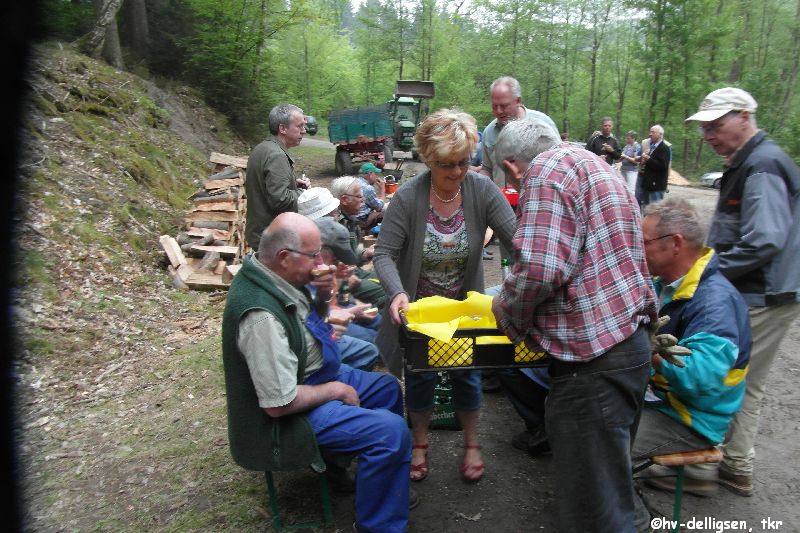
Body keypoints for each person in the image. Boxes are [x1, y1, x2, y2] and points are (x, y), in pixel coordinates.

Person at [491, 117, 657, 532]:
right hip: (631, 345)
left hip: (594, 361)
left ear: (512, 165)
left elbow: (541, 269)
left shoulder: (544, 172)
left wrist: (504, 309)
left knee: (593, 510)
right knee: (612, 487)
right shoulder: (600, 167)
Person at [222, 212, 413, 533]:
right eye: (313, 256)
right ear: (284, 257)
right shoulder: (260, 316)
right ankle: (378, 526)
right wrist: (335, 390)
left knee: (386, 389)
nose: (319, 263)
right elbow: (277, 403)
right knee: (391, 432)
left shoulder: (278, 278)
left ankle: (359, 476)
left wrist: (325, 295)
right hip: (282, 417)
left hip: (309, 376)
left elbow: (316, 325)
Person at [373, 109, 517, 484]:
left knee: (467, 377)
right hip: (420, 311)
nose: (456, 172)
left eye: (463, 163)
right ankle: (419, 442)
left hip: (464, 306)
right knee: (419, 377)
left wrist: (535, 275)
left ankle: (472, 442)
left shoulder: (482, 190)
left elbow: (517, 240)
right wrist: (398, 293)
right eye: (446, 165)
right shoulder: (408, 197)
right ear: (428, 159)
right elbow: (384, 253)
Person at [686, 87, 800, 496]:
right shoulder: (747, 161)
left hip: (765, 294)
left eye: (717, 126)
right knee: (744, 379)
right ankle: (733, 463)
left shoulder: (763, 164)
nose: (709, 135)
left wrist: (705, 272)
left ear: (744, 118)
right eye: (706, 128)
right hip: (758, 290)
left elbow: (765, 239)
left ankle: (720, 464)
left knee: (734, 378)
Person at [631, 199, 750, 524]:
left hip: (689, 417)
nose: (638, 249)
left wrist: (649, 351)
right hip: (662, 400)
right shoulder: (667, 284)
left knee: (602, 445)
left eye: (644, 242)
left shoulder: (714, 303)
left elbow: (701, 378)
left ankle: (641, 524)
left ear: (676, 244)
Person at [315, 217, 381, 372]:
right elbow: (310, 319)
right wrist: (343, 313)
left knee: (379, 324)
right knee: (372, 345)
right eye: (336, 259)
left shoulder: (324, 269)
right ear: (320, 250)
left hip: (330, 315)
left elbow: (329, 304)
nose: (339, 263)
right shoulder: (305, 271)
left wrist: (350, 312)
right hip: (317, 333)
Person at [244, 104, 311, 250]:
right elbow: (279, 200)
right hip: (272, 239)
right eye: (299, 126)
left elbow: (264, 186)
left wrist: (294, 184)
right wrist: (305, 194)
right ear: (282, 129)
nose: (304, 131)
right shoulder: (277, 155)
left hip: (261, 233)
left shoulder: (262, 148)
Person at [479, 76, 559, 188]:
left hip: (540, 196)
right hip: (503, 201)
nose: (498, 111)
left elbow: (560, 162)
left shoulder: (543, 123)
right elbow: (487, 169)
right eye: (494, 106)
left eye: (504, 105)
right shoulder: (489, 131)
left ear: (518, 101)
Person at [330, 176, 388, 310]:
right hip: (343, 278)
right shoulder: (335, 225)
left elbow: (348, 254)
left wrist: (365, 253)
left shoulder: (350, 219)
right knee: (388, 294)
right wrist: (341, 279)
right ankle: (379, 325)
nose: (363, 200)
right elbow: (331, 262)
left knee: (392, 280)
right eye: (359, 196)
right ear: (344, 199)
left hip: (354, 271)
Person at [638, 124, 671, 207]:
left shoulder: (664, 148)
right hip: (648, 185)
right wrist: (644, 159)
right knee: (646, 210)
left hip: (656, 187)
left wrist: (648, 159)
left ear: (660, 135)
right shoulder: (652, 147)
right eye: (650, 132)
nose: (650, 134)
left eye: (653, 132)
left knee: (654, 212)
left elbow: (663, 166)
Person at [356, 162, 386, 231]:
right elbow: (379, 207)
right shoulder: (368, 188)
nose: (376, 176)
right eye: (375, 174)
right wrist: (382, 190)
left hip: (351, 217)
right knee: (387, 212)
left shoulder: (355, 182)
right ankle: (373, 232)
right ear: (370, 174)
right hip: (361, 219)